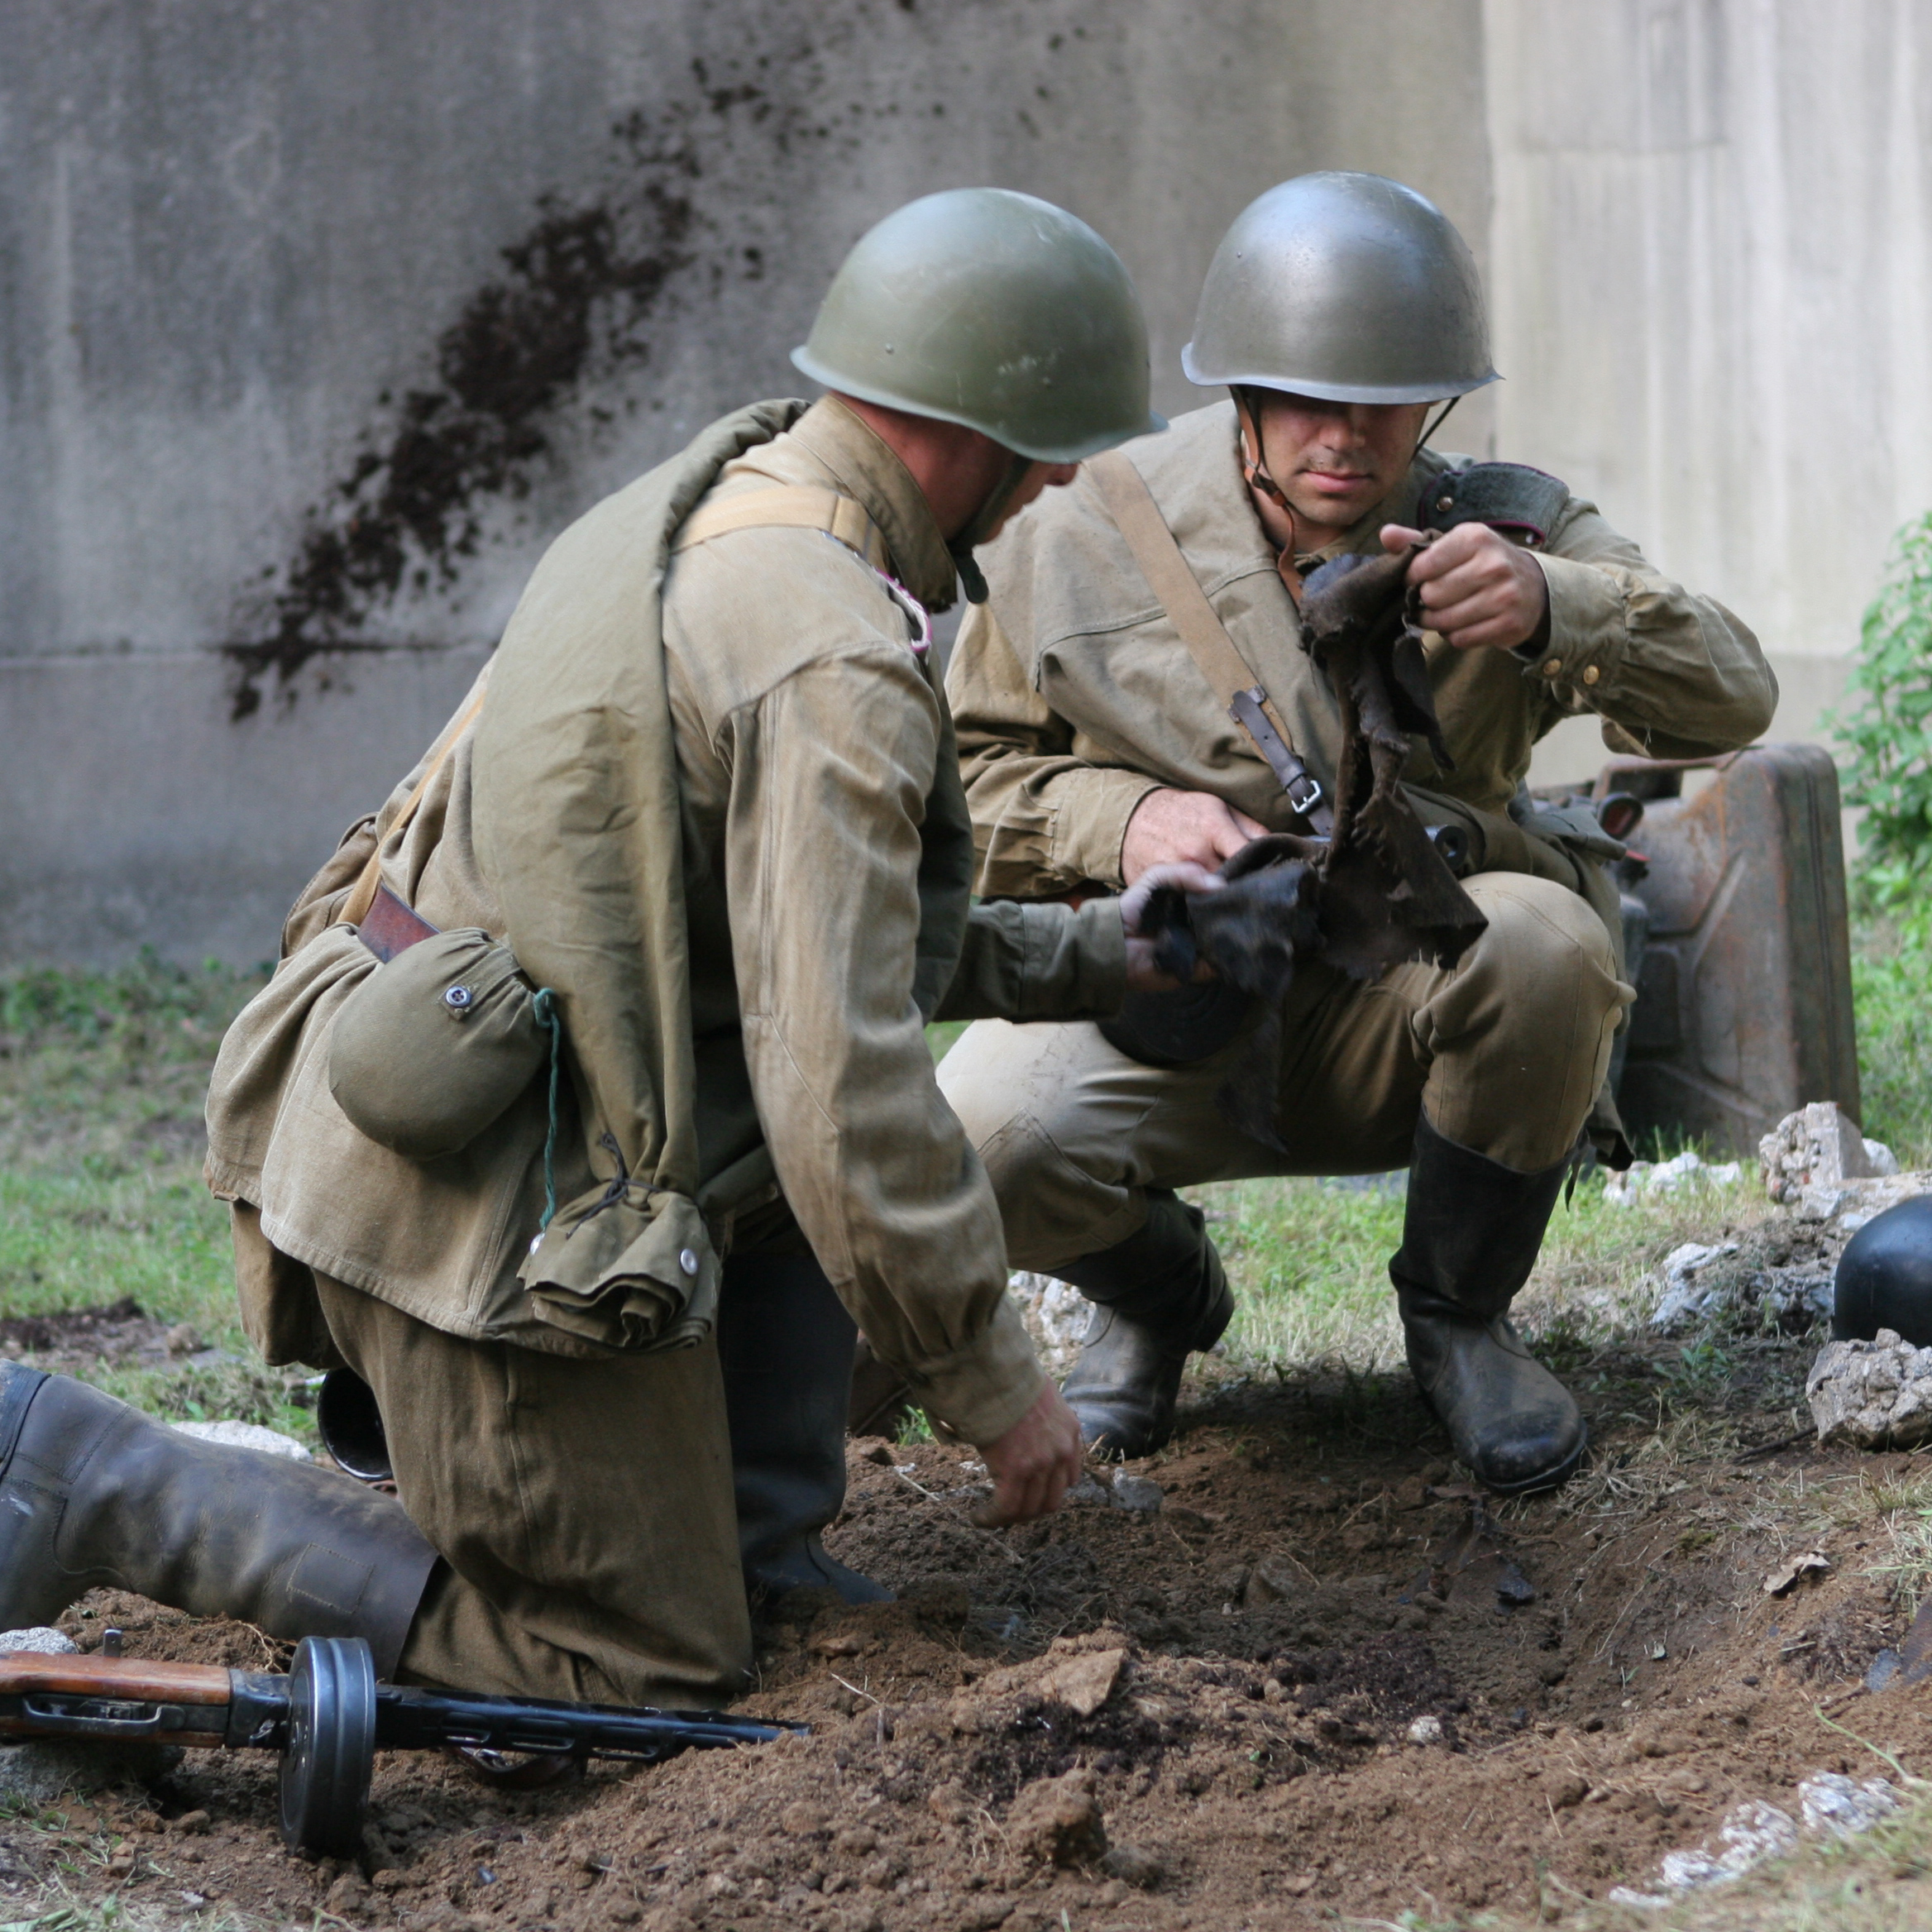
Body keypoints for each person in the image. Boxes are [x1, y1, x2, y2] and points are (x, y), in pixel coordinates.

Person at [0, 189, 1214, 1705]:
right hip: (476, 1204)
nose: (1059, 483)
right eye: (1049, 449)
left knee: (772, 1150)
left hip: (462, 1096)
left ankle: (752, 1549)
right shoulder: (827, 650)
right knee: (635, 1669)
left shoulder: (738, 496)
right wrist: (994, 1379)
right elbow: (843, 1087)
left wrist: (1105, 952)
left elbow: (802, 951)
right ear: (970, 433)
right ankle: (99, 1477)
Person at [938, 171, 1777, 1494]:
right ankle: (1158, 1300)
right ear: (1242, 390)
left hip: (1415, 990)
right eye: (1307, 399)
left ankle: (1458, 1320)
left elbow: (1736, 694)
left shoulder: (1505, 524)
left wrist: (1553, 603)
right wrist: (1129, 819)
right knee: (980, 1133)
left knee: (1549, 947)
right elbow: (961, 788)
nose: (1345, 436)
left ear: (1436, 403)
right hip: (1166, 989)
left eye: (1386, 401)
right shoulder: (1076, 526)